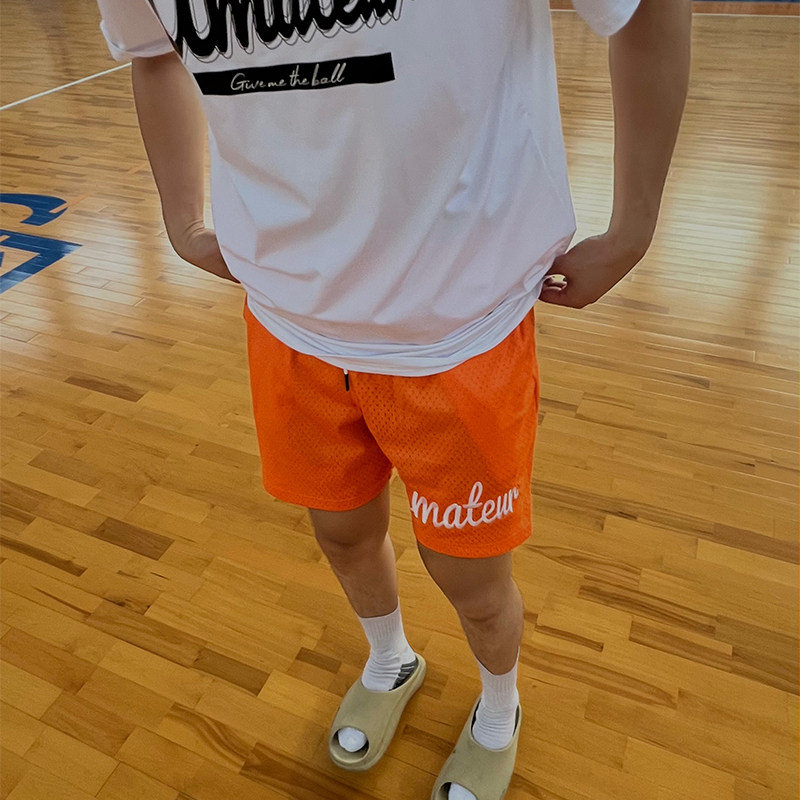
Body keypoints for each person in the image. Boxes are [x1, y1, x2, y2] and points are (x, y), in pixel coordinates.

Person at [94, 1, 691, 797]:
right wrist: (181, 220)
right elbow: (153, 51)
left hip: (457, 330)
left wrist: (635, 227)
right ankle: (390, 660)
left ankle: (500, 707)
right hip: (287, 321)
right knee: (342, 534)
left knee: (472, 580)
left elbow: (646, 8)